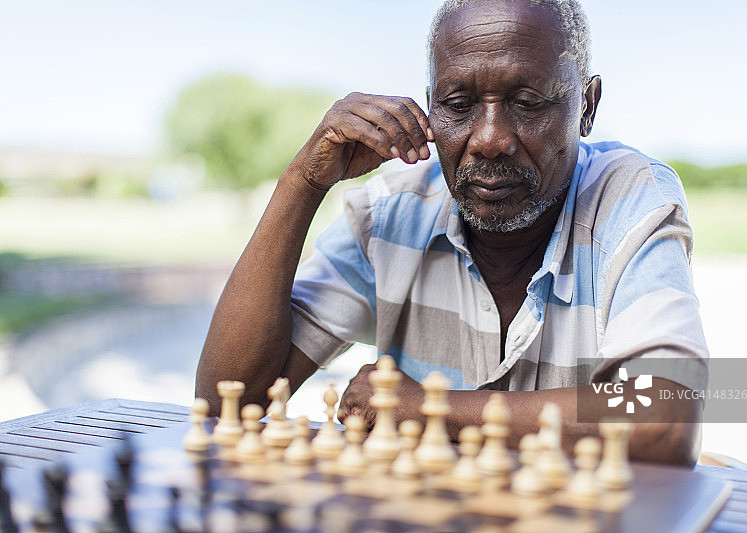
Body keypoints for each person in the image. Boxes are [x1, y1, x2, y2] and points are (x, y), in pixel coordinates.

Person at [196, 0, 708, 466]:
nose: (488, 140)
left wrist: (430, 410)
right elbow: (226, 400)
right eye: (459, 104)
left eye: (527, 101)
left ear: (587, 107)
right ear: (429, 110)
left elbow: (665, 416)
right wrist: (303, 182)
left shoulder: (630, 197)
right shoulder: (391, 215)